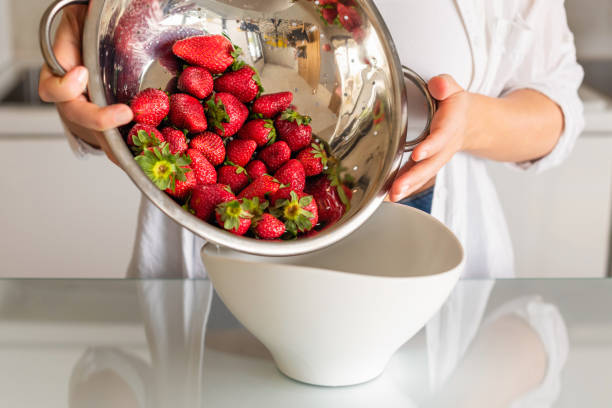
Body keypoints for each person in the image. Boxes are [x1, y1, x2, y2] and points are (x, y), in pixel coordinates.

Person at [39, 0, 584, 279]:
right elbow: (103, 83)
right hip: (209, 224)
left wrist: (469, 125)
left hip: (424, 226)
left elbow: (556, 111)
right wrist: (83, 90)